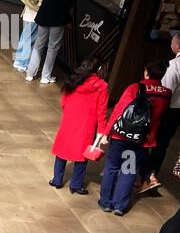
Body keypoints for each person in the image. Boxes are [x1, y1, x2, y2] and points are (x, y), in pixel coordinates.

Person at [99, 61, 170, 215]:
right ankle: (119, 206)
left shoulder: (135, 87)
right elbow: (159, 117)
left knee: (112, 167)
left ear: (146, 73)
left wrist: (106, 132)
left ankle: (106, 202)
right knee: (128, 169)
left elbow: (119, 110)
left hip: (121, 135)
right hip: (141, 139)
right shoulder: (166, 93)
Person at [49, 60, 108, 195]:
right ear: (98, 68)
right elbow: (102, 111)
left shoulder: (74, 81)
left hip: (69, 120)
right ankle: (76, 184)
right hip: (87, 123)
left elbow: (63, 101)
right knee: (82, 155)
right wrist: (101, 131)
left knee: (62, 151)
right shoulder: (101, 86)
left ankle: (57, 180)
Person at [25, 0, 75, 84]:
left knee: (38, 45)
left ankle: (30, 74)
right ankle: (45, 76)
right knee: (52, 48)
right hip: (58, 19)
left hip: (44, 17)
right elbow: (72, 0)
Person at [147, 32, 180, 191]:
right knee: (163, 144)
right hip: (177, 112)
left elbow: (165, 91)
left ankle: (148, 175)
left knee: (155, 141)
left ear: (177, 45)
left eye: (172, 42)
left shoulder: (174, 66)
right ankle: (151, 173)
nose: (171, 45)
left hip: (170, 110)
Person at [14, 0, 51, 72]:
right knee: (29, 39)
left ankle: (19, 60)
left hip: (29, 12)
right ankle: (22, 63)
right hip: (33, 14)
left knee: (25, 38)